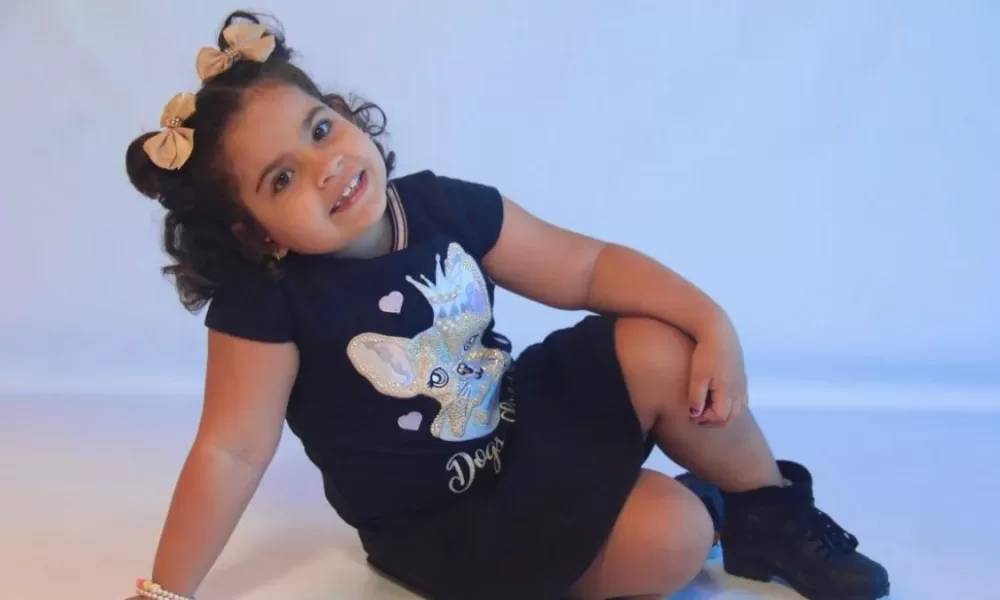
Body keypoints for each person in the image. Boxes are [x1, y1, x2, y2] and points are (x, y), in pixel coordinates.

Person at [124, 10, 889, 600]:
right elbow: (231, 451)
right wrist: (166, 590)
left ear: (344, 113)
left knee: (661, 343)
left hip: (518, 430)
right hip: (449, 528)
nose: (325, 167)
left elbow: (586, 268)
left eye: (320, 129)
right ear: (253, 231)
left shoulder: (439, 206)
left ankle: (769, 515)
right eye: (282, 179)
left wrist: (711, 320)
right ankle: (694, 513)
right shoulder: (267, 303)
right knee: (676, 534)